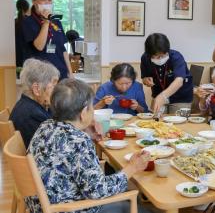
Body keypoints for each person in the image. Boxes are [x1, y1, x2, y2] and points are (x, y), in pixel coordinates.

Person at [26, 79, 151, 213]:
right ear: (84, 112)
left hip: (40, 204)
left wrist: (84, 129)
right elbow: (98, 191)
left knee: (128, 190)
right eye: (91, 107)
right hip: (67, 208)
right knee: (144, 208)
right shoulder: (78, 141)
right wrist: (132, 167)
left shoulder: (45, 125)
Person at [22, 0, 73, 79]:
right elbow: (39, 46)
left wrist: (70, 73)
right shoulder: (28, 22)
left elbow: (63, 49)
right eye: (43, 1)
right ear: (34, 2)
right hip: (41, 76)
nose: (47, 4)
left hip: (61, 73)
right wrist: (46, 23)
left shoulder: (56, 22)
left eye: (49, 1)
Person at [9, 58, 59, 148]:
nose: (56, 91)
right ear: (36, 89)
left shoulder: (28, 105)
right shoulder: (33, 116)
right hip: (31, 161)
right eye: (53, 86)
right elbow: (53, 148)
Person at [140, 33, 193, 114]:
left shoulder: (176, 57)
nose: (160, 58)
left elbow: (179, 81)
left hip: (180, 97)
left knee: (179, 122)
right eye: (157, 56)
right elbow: (144, 77)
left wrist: (163, 96)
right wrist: (146, 80)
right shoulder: (145, 58)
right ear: (149, 54)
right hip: (157, 95)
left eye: (163, 55)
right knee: (156, 121)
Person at [15, 0, 31, 67]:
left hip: (16, 55)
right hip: (29, 55)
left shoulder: (14, 22)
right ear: (27, 8)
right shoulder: (30, 22)